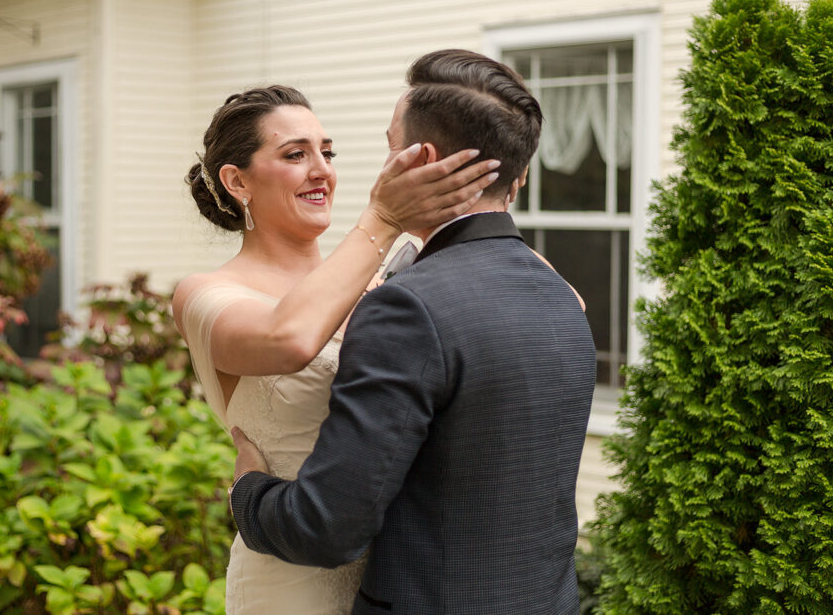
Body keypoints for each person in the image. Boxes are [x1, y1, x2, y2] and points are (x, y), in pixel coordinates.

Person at [229, 50, 597, 614]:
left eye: (388, 146)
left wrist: (249, 493)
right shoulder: (564, 298)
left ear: (418, 160)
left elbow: (329, 527)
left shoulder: (408, 307)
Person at [172, 84, 500, 613]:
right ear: (237, 181)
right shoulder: (205, 294)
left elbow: (559, 300)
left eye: (327, 152)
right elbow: (290, 339)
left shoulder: (388, 275)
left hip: (405, 572)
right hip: (292, 574)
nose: (321, 169)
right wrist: (383, 220)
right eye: (294, 154)